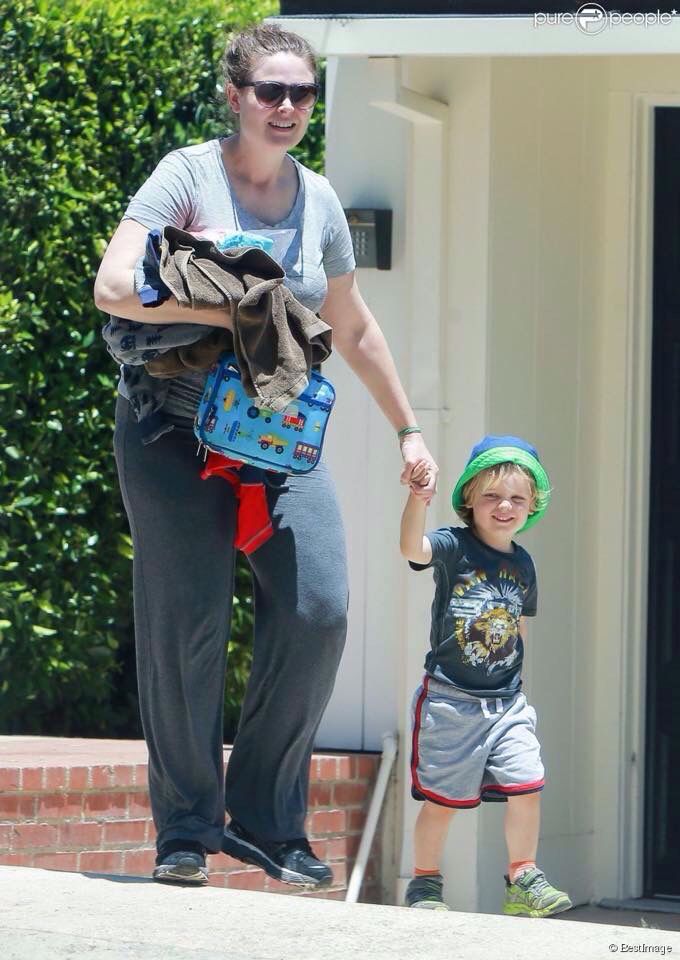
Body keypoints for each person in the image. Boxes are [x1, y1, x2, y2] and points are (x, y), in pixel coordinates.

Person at [93, 22, 438, 887]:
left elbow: (352, 327)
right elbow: (112, 285)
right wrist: (239, 313)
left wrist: (409, 428)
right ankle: (184, 829)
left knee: (319, 608)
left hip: (275, 436)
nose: (287, 107)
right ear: (236, 96)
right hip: (169, 427)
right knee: (188, 627)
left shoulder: (318, 200)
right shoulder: (187, 174)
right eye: (270, 91)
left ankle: (266, 820)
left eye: (302, 93)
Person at [399, 435, 571, 917]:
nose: (504, 506)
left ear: (532, 506)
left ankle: (522, 875)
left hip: (506, 703)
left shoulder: (524, 563)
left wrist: (518, 689)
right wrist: (417, 500)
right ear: (470, 498)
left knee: (527, 782)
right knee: (444, 801)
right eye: (493, 495)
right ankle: (425, 883)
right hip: (450, 703)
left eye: (517, 498)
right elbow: (411, 546)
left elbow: (518, 626)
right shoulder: (455, 546)